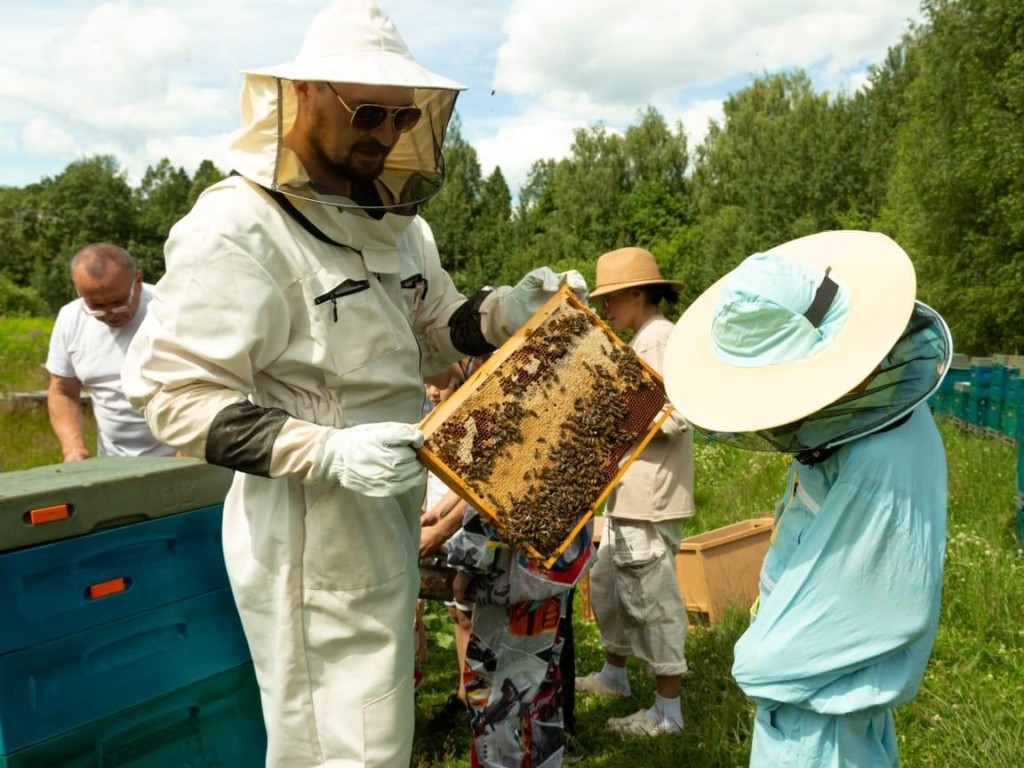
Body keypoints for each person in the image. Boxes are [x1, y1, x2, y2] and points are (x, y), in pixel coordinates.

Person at [119, 2, 586, 766]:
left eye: (402, 119)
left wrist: (510, 310)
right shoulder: (237, 227)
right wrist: (327, 453)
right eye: (367, 111)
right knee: (345, 746)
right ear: (302, 95)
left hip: (389, 508)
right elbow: (172, 396)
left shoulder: (400, 226)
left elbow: (435, 327)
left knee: (376, 733)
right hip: (308, 528)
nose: (385, 134)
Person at [661, 230, 952, 767]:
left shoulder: (880, 459)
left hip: (819, 722)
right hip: (815, 706)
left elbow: (863, 612)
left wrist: (754, 658)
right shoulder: (863, 426)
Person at [574, 247, 694, 736]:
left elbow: (678, 416)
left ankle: (669, 714)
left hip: (652, 499)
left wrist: (612, 409)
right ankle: (615, 676)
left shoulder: (658, 340)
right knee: (608, 587)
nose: (606, 311)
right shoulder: (643, 339)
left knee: (652, 600)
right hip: (629, 495)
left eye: (612, 300)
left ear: (639, 294)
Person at [447, 503, 594, 767]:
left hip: (513, 580)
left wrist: (467, 564)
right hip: (553, 570)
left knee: (499, 695)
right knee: (540, 688)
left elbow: (495, 495)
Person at [45, 243, 175, 462]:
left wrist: (190, 449)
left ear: (138, 281)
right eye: (95, 305)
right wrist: (73, 448)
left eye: (118, 302)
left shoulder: (171, 311)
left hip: (180, 461)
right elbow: (63, 392)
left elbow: (207, 384)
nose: (109, 313)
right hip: (112, 462)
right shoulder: (70, 319)